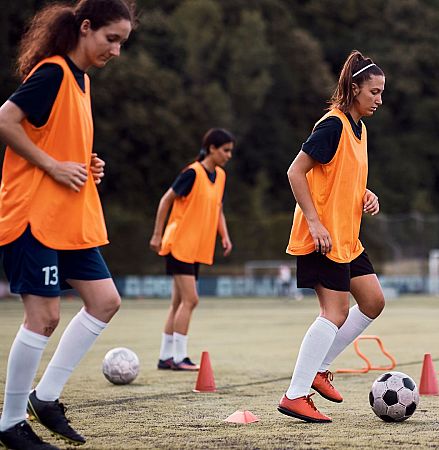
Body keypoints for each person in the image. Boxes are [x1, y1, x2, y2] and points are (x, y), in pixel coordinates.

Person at [0, 1, 135, 448]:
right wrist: (54, 166)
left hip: (68, 217)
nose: (115, 51)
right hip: (32, 216)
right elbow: (6, 120)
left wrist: (85, 163)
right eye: (110, 39)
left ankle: (47, 398)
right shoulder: (54, 71)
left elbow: (55, 137)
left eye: (122, 43)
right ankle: (10, 423)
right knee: (44, 317)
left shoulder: (82, 82)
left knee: (104, 300)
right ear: (85, 27)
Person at [278, 50, 386, 423]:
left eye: (381, 93)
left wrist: (365, 194)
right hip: (322, 237)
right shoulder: (333, 125)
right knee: (335, 312)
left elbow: (340, 178)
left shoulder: (361, 129)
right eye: (373, 92)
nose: (379, 100)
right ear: (354, 88)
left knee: (372, 302)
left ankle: (321, 369)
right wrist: (314, 222)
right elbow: (296, 172)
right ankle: (295, 394)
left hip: (346, 238)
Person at [149, 128, 234, 371]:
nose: (229, 155)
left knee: (178, 302)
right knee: (191, 299)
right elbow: (166, 200)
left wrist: (224, 235)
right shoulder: (192, 173)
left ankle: (166, 357)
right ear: (211, 149)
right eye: (225, 150)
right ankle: (179, 358)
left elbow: (217, 209)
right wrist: (157, 234)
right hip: (179, 244)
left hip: (195, 248)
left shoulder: (220, 176)